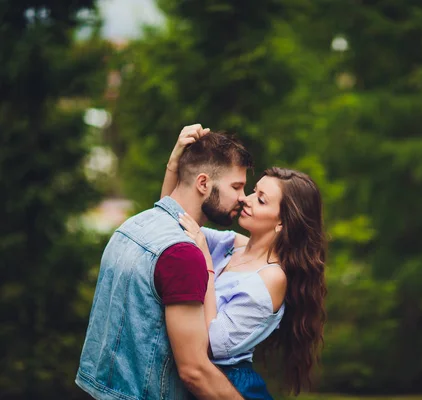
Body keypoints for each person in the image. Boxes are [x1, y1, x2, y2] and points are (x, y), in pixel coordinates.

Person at [76, 125, 252, 400]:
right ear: (203, 183)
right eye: (236, 186)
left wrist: (173, 164)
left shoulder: (133, 226)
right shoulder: (182, 254)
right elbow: (194, 370)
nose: (243, 197)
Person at [162, 129, 328, 399]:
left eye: (260, 200)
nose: (244, 199)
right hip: (195, 381)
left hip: (229, 386)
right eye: (253, 191)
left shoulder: (272, 278)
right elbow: (173, 221)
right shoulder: (230, 245)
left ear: (282, 223)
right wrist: (175, 162)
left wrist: (205, 263)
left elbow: (214, 345)